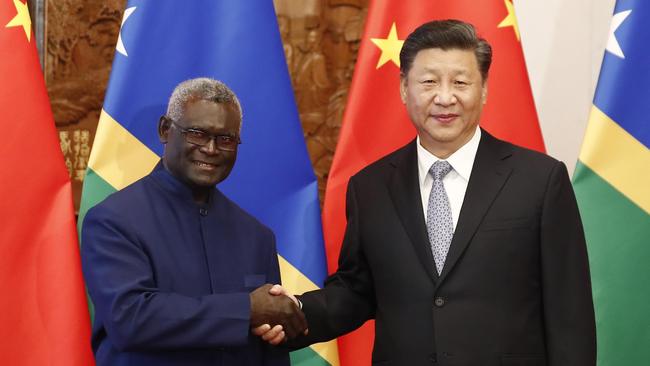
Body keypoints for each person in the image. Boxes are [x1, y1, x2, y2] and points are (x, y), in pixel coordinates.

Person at [257, 20, 597, 365]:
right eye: (429, 82)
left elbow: (570, 312)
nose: (445, 97)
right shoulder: (370, 187)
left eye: (460, 82)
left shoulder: (540, 179)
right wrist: (295, 312)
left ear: (483, 89)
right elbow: (356, 292)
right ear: (405, 88)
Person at [81, 78, 306, 366]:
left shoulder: (257, 236)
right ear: (165, 130)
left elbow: (270, 348)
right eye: (197, 134)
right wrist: (247, 309)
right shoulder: (114, 220)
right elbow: (131, 318)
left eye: (226, 139)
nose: (211, 149)